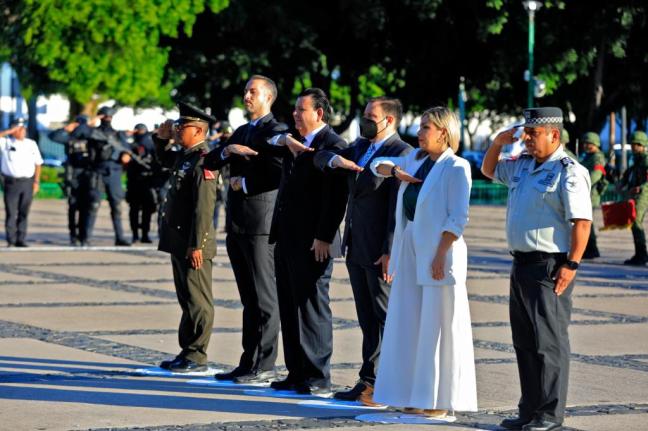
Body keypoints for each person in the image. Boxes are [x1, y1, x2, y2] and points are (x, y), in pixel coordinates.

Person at [362, 106, 477, 418]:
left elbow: (458, 217)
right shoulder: (415, 159)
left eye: (426, 127)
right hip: (411, 247)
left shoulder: (457, 167)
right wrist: (395, 172)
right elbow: (376, 165)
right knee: (410, 323)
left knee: (438, 327)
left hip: (441, 250)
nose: (419, 132)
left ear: (444, 132)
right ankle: (412, 393)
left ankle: (439, 399)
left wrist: (441, 253)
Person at [482, 107, 592, 431]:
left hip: (549, 266)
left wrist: (572, 264)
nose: (527, 139)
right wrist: (497, 142)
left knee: (549, 342)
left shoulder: (569, 171)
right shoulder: (523, 166)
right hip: (521, 263)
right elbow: (489, 170)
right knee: (525, 342)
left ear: (554, 135)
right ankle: (529, 410)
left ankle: (549, 414)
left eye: (533, 133)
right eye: (525, 133)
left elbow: (582, 223)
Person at [311, 97, 413, 404]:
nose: (365, 120)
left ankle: (393, 381)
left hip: (379, 248)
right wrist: (335, 162)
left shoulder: (401, 152)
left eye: (371, 116)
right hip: (356, 244)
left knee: (385, 317)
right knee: (367, 318)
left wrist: (390, 249)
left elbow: (396, 207)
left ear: (389, 120)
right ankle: (369, 380)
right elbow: (321, 157)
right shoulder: (359, 147)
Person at [202, 75, 288, 384]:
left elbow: (279, 170)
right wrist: (227, 152)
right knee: (249, 298)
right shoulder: (242, 131)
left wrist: (246, 182)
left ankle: (264, 364)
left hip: (260, 224)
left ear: (268, 97)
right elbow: (210, 162)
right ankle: (248, 361)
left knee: (264, 298)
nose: (247, 96)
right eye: (246, 91)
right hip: (237, 223)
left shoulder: (277, 131)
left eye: (253, 91)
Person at [263, 88, 348, 396]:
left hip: (314, 241)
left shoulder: (333, 145)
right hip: (287, 237)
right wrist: (284, 141)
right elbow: (266, 143)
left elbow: (336, 198)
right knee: (289, 305)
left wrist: (324, 235)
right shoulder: (293, 141)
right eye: (295, 109)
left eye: (302, 110)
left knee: (312, 307)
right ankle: (296, 371)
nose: (295, 115)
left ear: (319, 113)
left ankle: (317, 375)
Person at [154, 102, 219, 373]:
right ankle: (187, 350)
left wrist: (197, 245)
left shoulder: (204, 159)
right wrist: (161, 140)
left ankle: (197, 354)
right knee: (186, 298)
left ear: (198, 130)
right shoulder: (186, 156)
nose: (177, 129)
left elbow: (204, 208)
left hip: (194, 242)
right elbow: (163, 160)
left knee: (198, 300)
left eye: (182, 126)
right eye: (177, 125)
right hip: (180, 240)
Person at [68, 106, 132, 246]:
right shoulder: (92, 132)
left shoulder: (118, 134)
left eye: (109, 117)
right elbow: (78, 132)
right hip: (97, 172)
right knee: (93, 205)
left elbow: (127, 149)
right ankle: (86, 238)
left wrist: (126, 155)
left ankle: (120, 237)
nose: (107, 119)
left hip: (114, 172)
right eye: (105, 116)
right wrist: (92, 120)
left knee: (116, 206)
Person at [48, 115, 91, 246]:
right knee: (73, 207)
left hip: (87, 176)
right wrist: (66, 128)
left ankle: (83, 236)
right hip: (72, 176)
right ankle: (73, 235)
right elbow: (53, 136)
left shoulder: (91, 138)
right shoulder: (70, 138)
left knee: (86, 208)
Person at [0, 118, 43, 247]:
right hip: (11, 182)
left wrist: (36, 181)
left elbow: (38, 163)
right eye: (19, 129)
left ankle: (21, 239)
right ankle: (11, 239)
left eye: (23, 129)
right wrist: (10, 131)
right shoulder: (6, 142)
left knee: (24, 212)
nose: (22, 131)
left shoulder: (31, 144)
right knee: (11, 212)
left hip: (27, 182)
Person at [617, 131, 648, 265]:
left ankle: (642, 255)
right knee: (634, 223)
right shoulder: (636, 160)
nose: (634, 147)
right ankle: (640, 254)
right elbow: (628, 174)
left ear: (643, 145)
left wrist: (641, 187)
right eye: (633, 144)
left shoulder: (646, 160)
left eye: (638, 144)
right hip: (636, 194)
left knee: (636, 222)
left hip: (644, 194)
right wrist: (621, 184)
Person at [126, 124, 158, 243]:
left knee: (146, 210)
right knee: (136, 210)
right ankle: (137, 234)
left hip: (146, 181)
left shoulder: (150, 144)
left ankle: (143, 234)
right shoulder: (131, 145)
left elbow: (156, 162)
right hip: (135, 181)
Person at [580, 132, 606, 259]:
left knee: (586, 222)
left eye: (589, 143)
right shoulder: (588, 156)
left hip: (591, 194)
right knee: (585, 221)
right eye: (585, 143)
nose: (586, 146)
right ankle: (590, 249)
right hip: (585, 193)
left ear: (596, 144)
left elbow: (597, 174)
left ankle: (592, 249)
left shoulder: (597, 157)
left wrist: (584, 184)